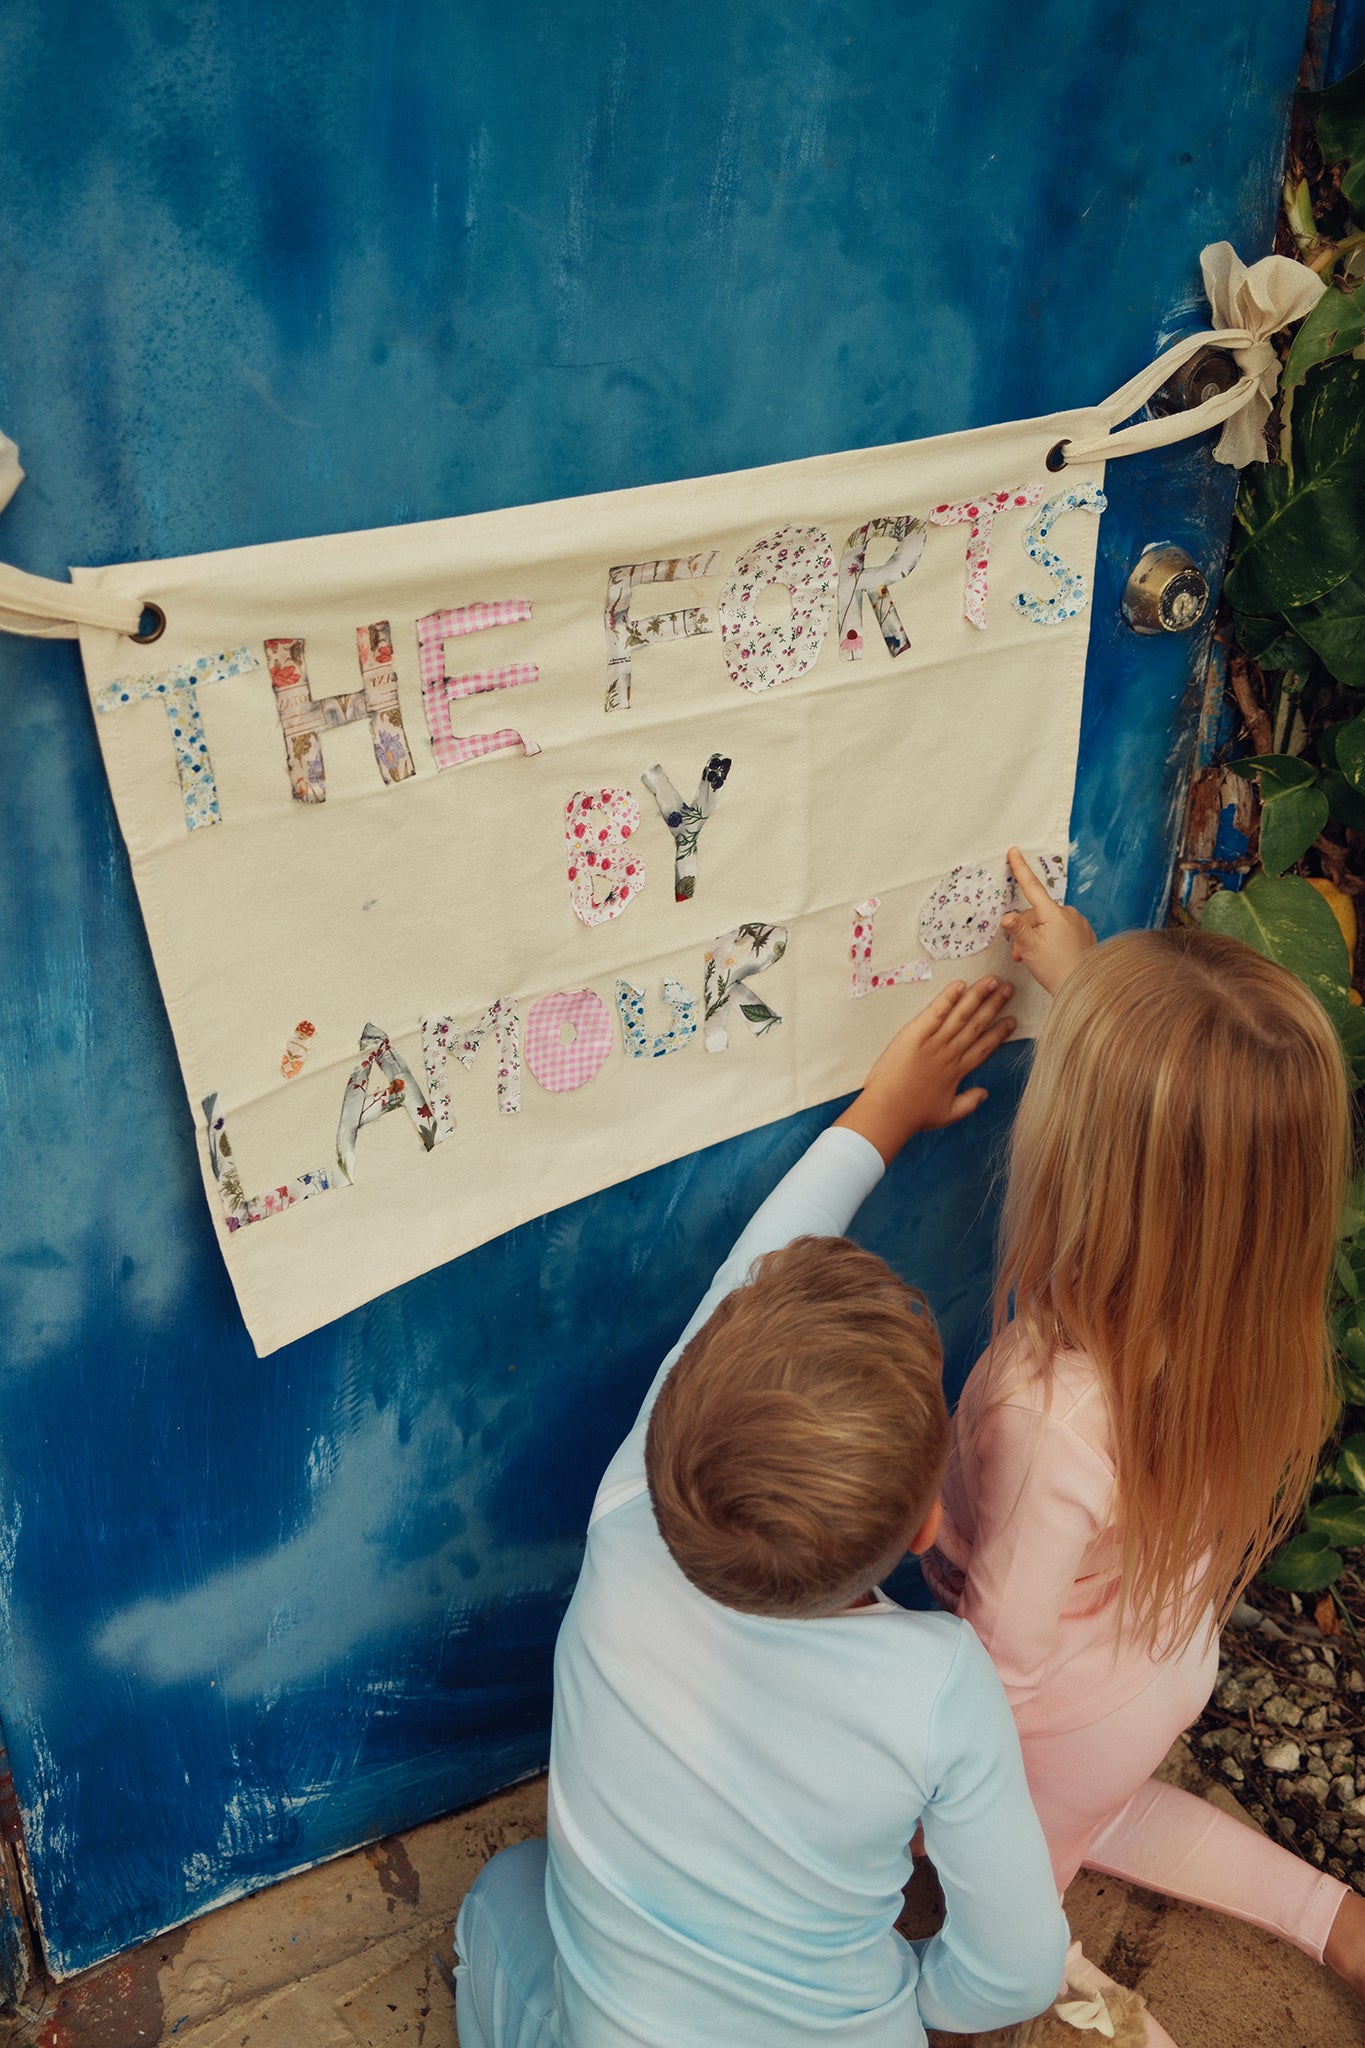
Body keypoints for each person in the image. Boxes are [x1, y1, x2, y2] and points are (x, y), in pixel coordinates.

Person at [454, 975, 1070, 2048]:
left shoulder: (629, 1513)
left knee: (511, 1891)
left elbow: (744, 1275)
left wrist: (875, 1112)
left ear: (674, 1421)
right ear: (927, 1524)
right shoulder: (939, 1685)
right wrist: (908, 2000)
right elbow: (1016, 1971)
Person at [922, 848, 1365, 2046]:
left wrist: (931, 1788)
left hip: (1048, 1706)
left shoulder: (1046, 1402)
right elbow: (1194, 1140)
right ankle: (1337, 1918)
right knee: (1106, 1805)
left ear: (1085, 1168)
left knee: (1019, 1863)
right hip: (1156, 1656)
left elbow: (993, 1671)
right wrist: (1083, 981)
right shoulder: (1251, 1316)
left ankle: (1047, 1981)